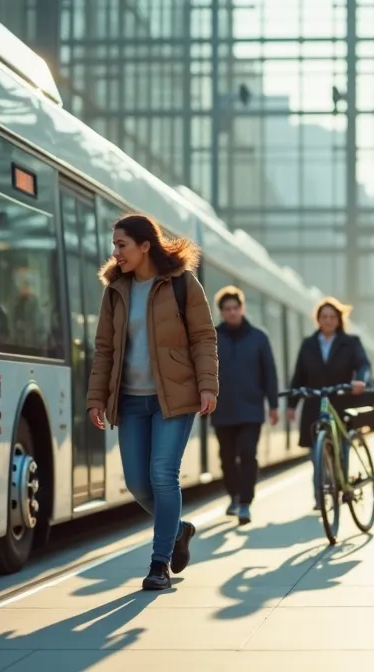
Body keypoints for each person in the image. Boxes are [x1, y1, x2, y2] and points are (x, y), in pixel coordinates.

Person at [86, 214, 218, 591]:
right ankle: (178, 529)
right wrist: (97, 396)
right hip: (130, 400)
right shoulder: (116, 289)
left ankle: (159, 564)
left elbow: (204, 338)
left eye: (121, 245)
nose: (115, 252)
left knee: (163, 475)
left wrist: (208, 385)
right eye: (114, 245)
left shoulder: (182, 283)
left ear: (146, 245)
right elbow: (105, 348)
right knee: (136, 482)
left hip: (173, 398)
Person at [286, 297, 372, 510]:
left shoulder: (351, 342)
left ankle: (343, 484)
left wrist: (361, 380)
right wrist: (291, 403)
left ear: (339, 319)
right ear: (318, 319)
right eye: (324, 316)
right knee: (316, 453)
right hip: (314, 403)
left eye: (333, 316)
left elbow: (363, 364)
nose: (328, 320)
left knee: (341, 449)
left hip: (342, 401)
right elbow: (299, 376)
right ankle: (320, 496)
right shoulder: (308, 344)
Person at [211, 285, 279, 526]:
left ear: (242, 308)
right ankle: (234, 496)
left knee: (248, 454)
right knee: (226, 458)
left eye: (235, 308)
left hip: (251, 409)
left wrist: (273, 405)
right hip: (222, 409)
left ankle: (245, 503)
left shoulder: (259, 337)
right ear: (220, 312)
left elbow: (269, 373)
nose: (231, 312)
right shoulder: (212, 337)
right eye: (227, 309)